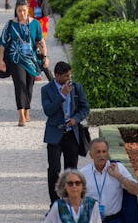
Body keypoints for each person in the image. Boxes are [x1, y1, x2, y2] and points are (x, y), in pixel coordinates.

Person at [42, 61, 91, 204]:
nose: (69, 78)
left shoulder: (76, 88)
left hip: (71, 134)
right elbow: (48, 111)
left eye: (70, 75)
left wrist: (75, 119)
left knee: (71, 171)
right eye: (65, 76)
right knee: (54, 170)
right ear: (57, 76)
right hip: (54, 134)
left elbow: (85, 108)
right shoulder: (46, 89)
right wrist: (62, 96)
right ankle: (54, 203)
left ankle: (71, 201)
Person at [0, 0, 46, 125]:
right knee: (20, 85)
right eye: (19, 10)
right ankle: (21, 115)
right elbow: (2, 43)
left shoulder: (35, 24)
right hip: (16, 59)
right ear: (16, 10)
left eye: (24, 10)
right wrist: (1, 60)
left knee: (29, 86)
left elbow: (41, 42)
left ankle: (27, 110)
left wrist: (45, 57)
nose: (22, 13)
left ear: (28, 10)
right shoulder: (10, 24)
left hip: (31, 60)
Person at [83, 138, 138, 223]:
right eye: (98, 152)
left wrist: (118, 176)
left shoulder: (118, 168)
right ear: (91, 155)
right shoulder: (82, 173)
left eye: (104, 151)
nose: (101, 155)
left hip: (114, 220)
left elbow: (135, 190)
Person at [17, 0, 53, 80]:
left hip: (42, 20)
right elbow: (18, 3)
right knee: (29, 44)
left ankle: (40, 67)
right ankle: (34, 70)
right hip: (28, 20)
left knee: (40, 43)